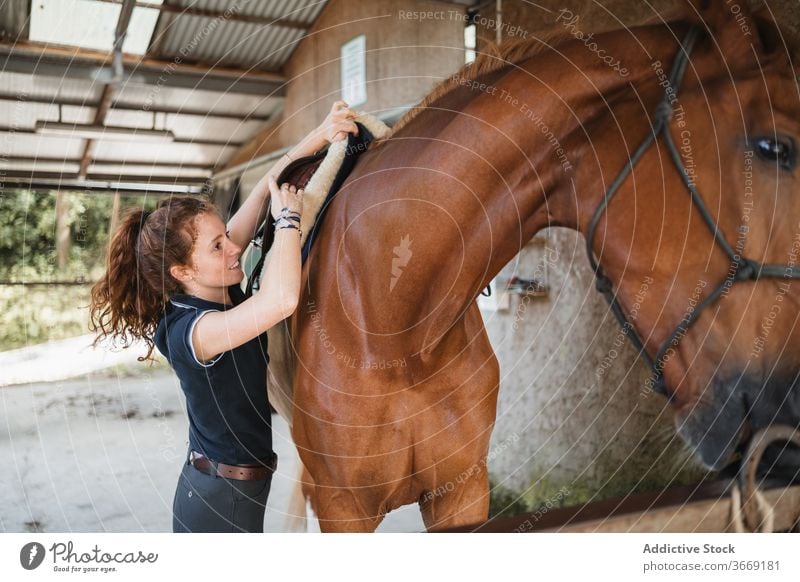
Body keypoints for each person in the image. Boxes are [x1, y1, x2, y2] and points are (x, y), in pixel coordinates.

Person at [89, 101, 359, 532]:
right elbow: (281, 299)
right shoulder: (192, 331)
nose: (234, 247)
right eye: (218, 245)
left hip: (237, 490)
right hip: (217, 501)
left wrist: (324, 132)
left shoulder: (215, 279)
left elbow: (266, 187)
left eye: (225, 236)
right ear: (182, 271)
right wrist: (289, 219)